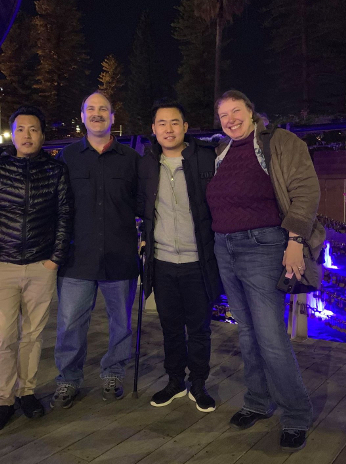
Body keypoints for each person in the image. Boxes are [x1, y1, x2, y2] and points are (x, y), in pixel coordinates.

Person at [206, 90, 325, 451]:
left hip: (264, 245)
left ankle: (295, 413)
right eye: (223, 115)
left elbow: (305, 190)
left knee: (271, 336)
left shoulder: (280, 142)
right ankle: (258, 401)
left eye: (236, 111)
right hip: (224, 247)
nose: (230, 119)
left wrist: (293, 240)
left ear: (252, 111)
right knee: (246, 333)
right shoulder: (220, 152)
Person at [0, 106, 72, 431]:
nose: (26, 135)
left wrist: (54, 258)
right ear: (12, 135)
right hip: (1, 266)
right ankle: (2, 399)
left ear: (42, 135)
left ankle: (26, 392)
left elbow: (64, 217)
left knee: (32, 335)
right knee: (2, 337)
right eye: (20, 130)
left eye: (33, 130)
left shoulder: (56, 172)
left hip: (41, 266)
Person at [51, 91, 140, 408]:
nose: (98, 113)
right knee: (70, 325)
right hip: (77, 258)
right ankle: (68, 380)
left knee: (121, 324)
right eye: (91, 109)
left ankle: (113, 373)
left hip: (121, 256)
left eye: (104, 109)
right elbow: (55, 205)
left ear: (113, 117)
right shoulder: (67, 157)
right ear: (83, 116)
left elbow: (145, 203)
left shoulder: (132, 159)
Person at [137, 100, 220, 412]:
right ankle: (175, 381)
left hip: (197, 261)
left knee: (199, 329)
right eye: (161, 123)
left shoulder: (204, 158)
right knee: (170, 328)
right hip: (162, 262)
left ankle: (198, 384)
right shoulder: (146, 163)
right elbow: (140, 205)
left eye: (174, 123)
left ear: (185, 127)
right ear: (154, 129)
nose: (168, 129)